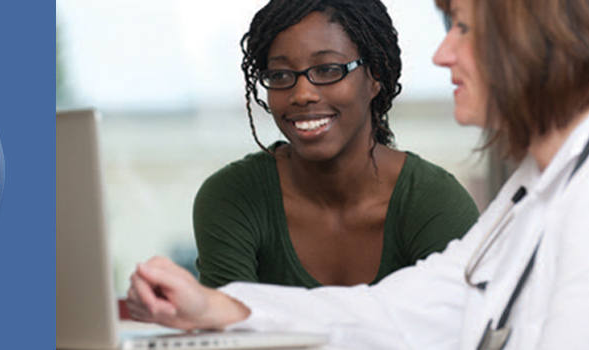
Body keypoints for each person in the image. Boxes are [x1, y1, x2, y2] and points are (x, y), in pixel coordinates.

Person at [126, 0, 589, 348]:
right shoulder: (529, 196)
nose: (442, 54)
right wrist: (214, 306)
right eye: (283, 75)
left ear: (536, 39)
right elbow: (397, 310)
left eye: (463, 29)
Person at [193, 0, 479, 290]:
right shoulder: (233, 197)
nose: (302, 94)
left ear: (375, 76)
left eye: (328, 70)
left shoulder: (434, 203)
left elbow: (453, 327)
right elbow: (230, 328)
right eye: (280, 75)